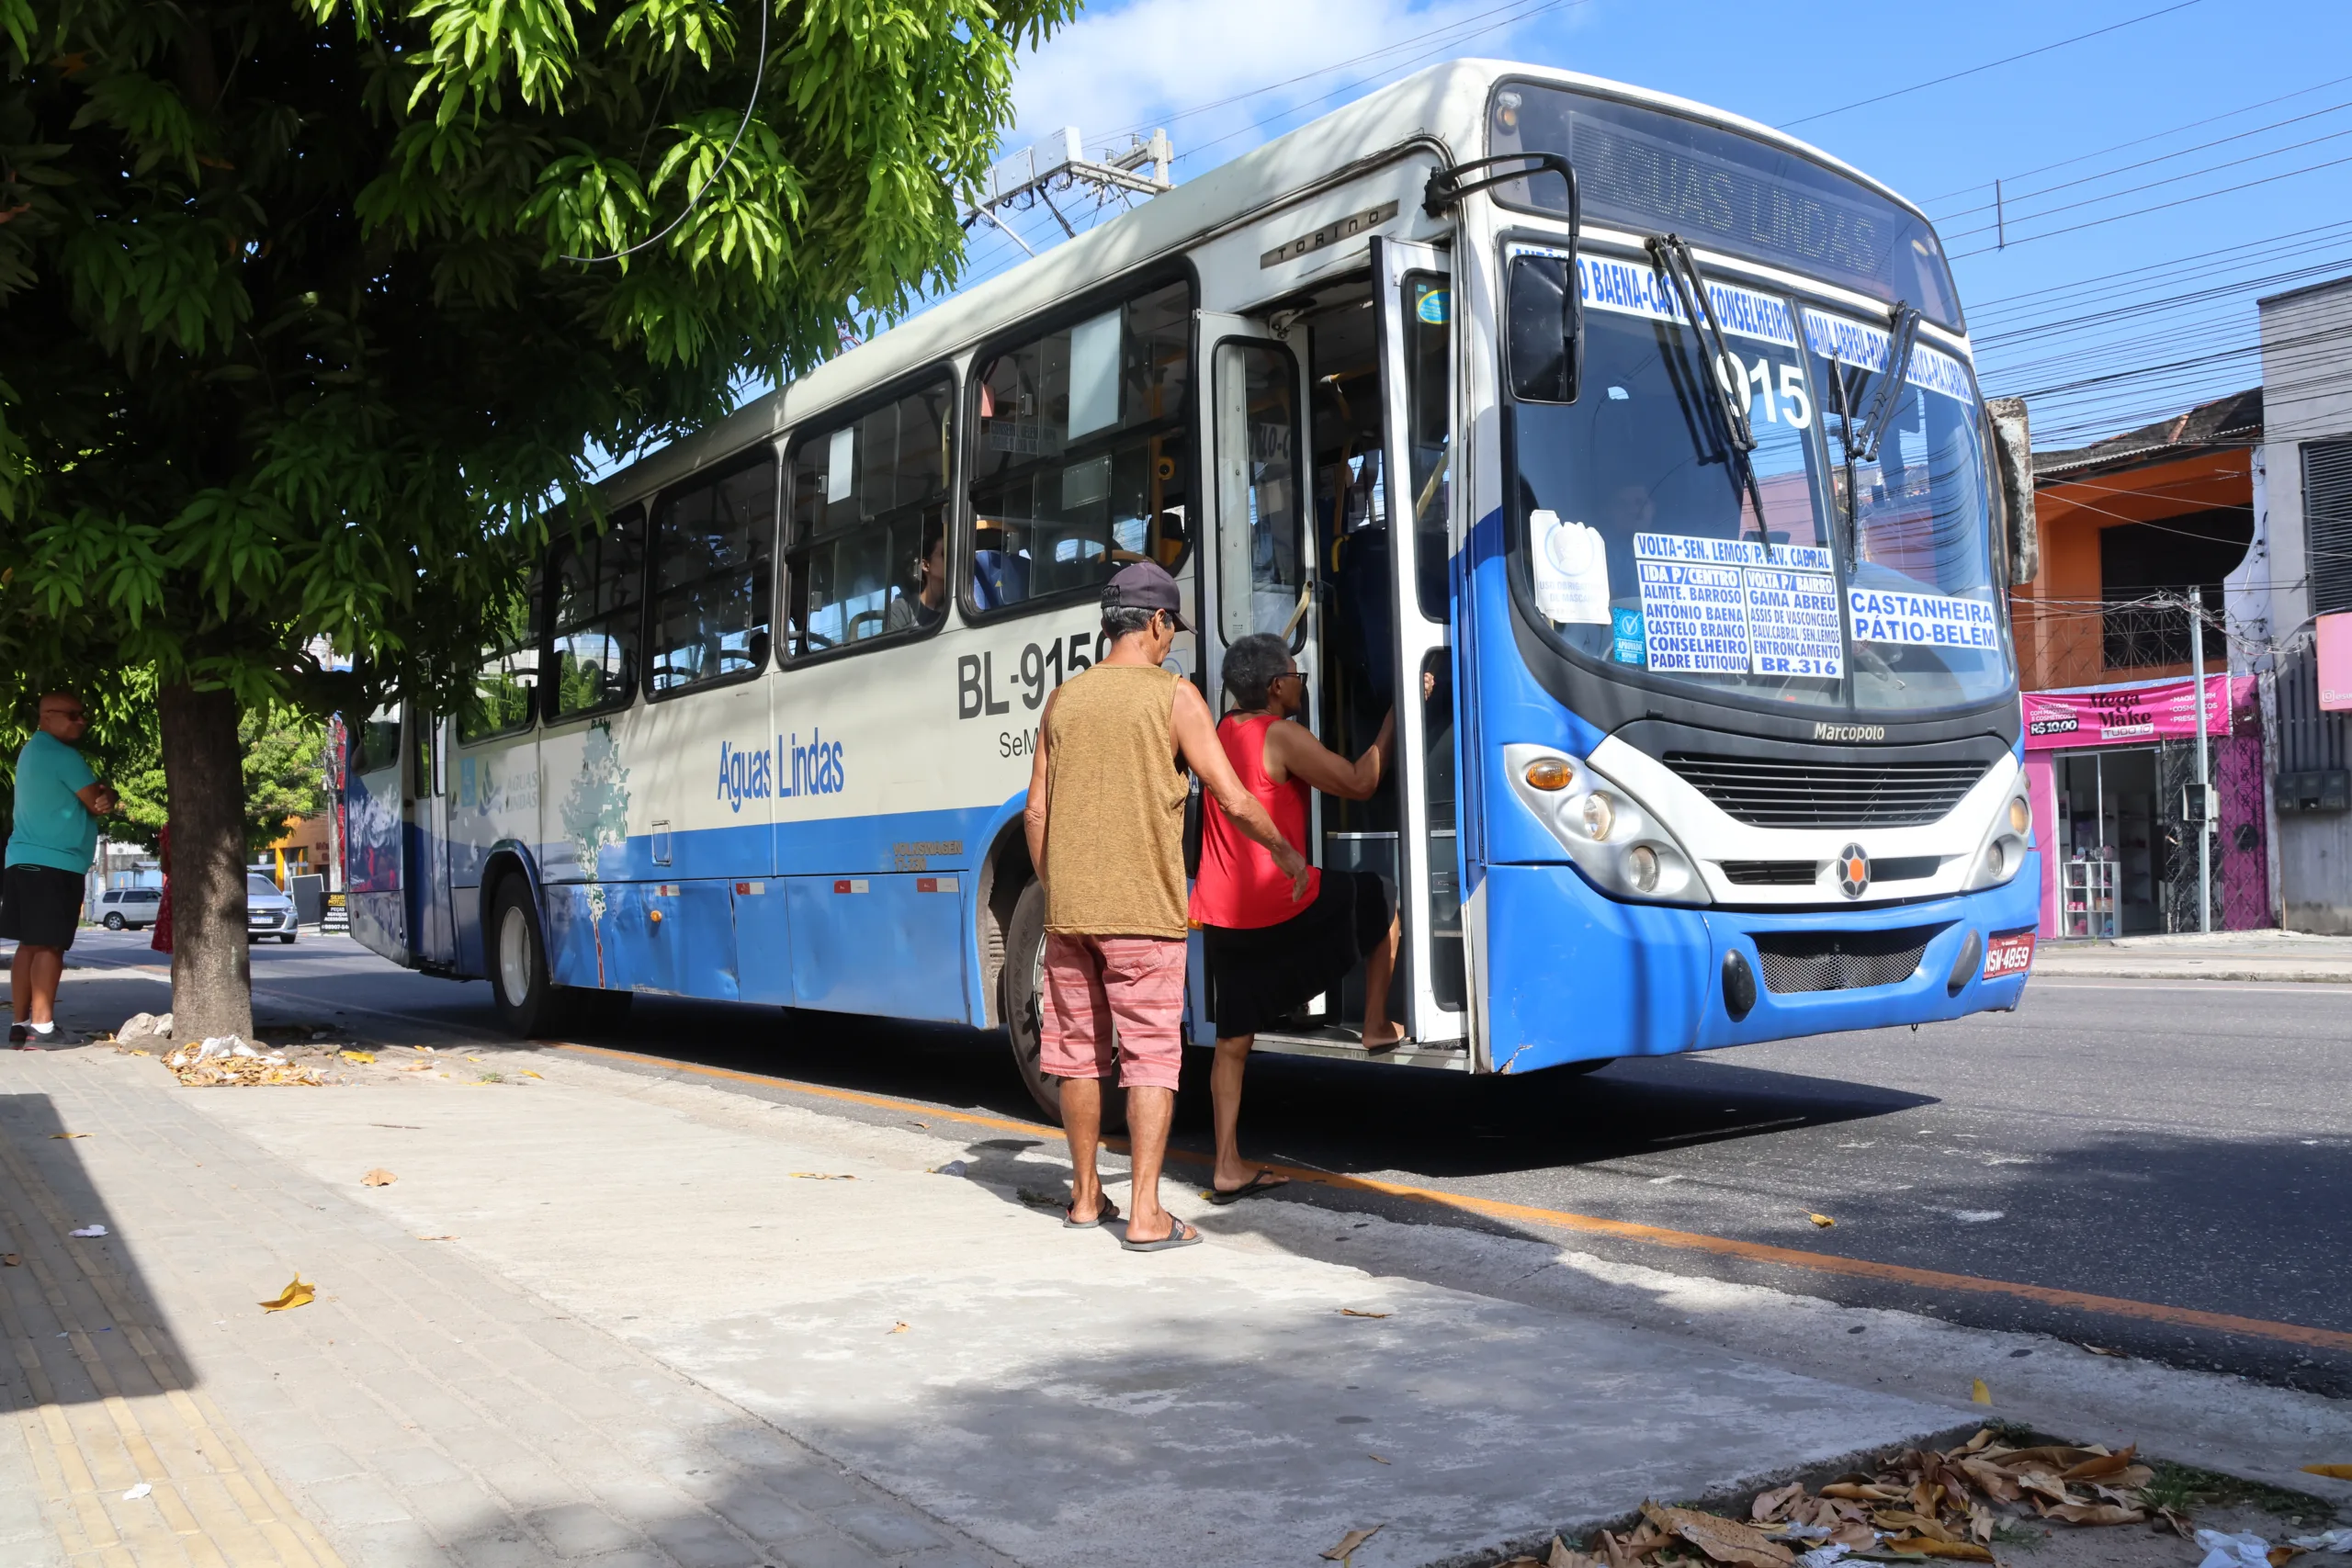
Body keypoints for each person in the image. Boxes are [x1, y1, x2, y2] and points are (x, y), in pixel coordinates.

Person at [1023, 562, 1308, 1251]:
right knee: (1149, 1058)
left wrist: (1061, 886)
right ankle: (1146, 1213)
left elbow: (1036, 813)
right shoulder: (1174, 697)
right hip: (1143, 915)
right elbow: (1233, 796)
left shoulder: (1062, 701)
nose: (1168, 642)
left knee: (1078, 1058)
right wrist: (1288, 854)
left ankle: (1087, 1196)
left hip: (1071, 915)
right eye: (1168, 629)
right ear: (1154, 623)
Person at [1191, 634, 1401, 1204]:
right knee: (1380, 896)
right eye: (1297, 674)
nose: (1302, 682)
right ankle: (1377, 1024)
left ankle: (1227, 1163)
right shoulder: (1281, 734)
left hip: (1224, 910)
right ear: (1277, 686)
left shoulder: (1220, 732)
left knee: (1233, 1044)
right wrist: (1395, 717)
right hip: (1282, 902)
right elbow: (1360, 782)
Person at [4, 693, 119, 1046]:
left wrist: (106, 794)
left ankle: (20, 1024)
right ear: (47, 717)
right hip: (54, 862)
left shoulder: (31, 751)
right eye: (73, 715)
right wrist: (109, 795)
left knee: (29, 945)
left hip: (21, 860)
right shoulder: (63, 756)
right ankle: (43, 1027)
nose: (81, 721)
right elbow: (96, 802)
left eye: (83, 715)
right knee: (50, 946)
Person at [884, 517, 948, 634]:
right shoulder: (902, 610)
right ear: (925, 565)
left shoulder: (958, 602)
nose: (951, 558)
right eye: (945, 554)